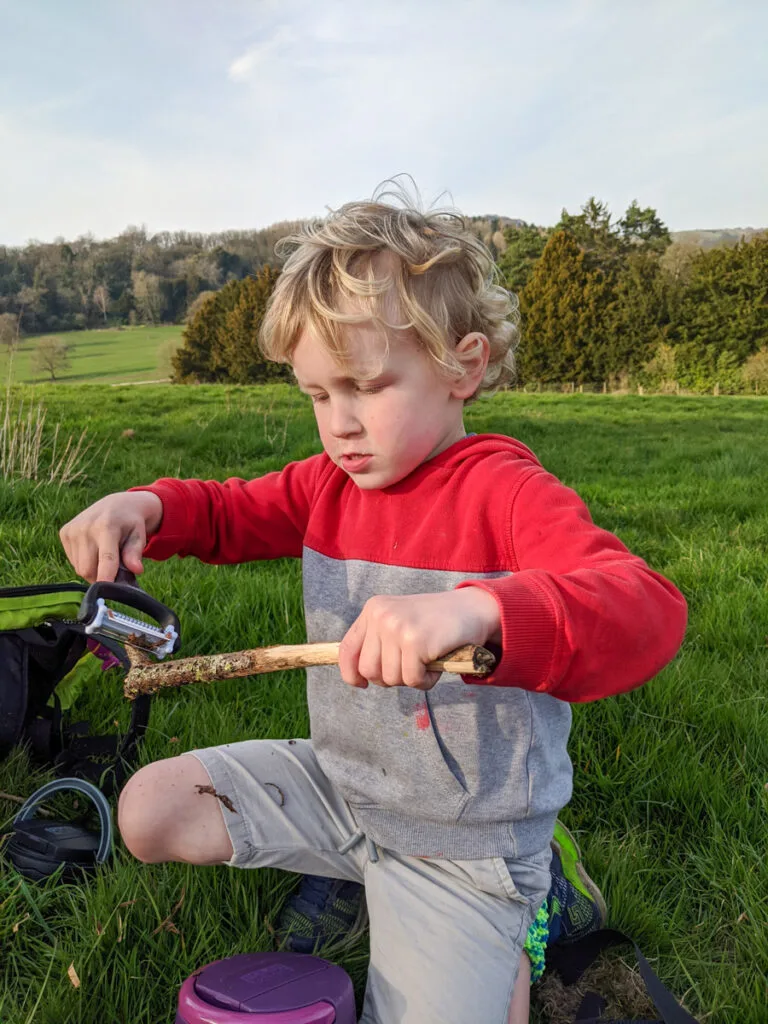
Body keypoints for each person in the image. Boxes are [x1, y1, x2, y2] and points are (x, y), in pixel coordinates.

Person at [59, 185, 687, 1024]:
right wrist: (149, 505)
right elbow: (228, 509)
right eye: (318, 395)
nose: (339, 425)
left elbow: (647, 607)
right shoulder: (332, 483)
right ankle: (357, 873)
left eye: (367, 386)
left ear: (463, 367)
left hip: (463, 842)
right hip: (345, 784)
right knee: (148, 812)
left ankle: (531, 896)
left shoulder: (505, 495)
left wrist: (480, 610)